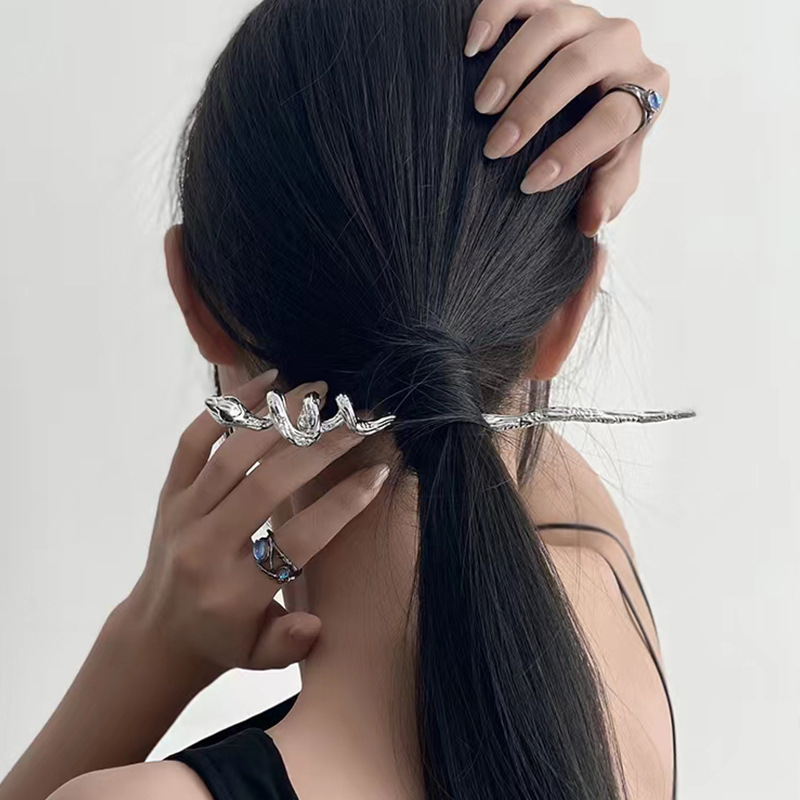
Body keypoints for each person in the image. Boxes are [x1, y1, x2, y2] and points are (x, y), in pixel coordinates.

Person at [0, 0, 683, 798]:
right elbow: (465, 401)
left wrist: (149, 644)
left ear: (195, 301)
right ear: (567, 319)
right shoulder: (604, 593)